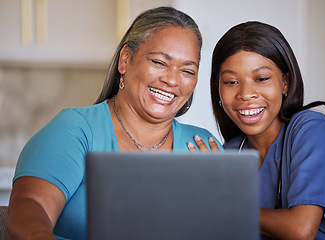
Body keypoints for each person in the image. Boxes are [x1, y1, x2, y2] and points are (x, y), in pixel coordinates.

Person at [7, 6, 222, 240]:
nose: (172, 79)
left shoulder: (204, 147)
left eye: (188, 71)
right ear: (125, 59)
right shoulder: (76, 131)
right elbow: (29, 207)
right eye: (159, 62)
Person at [190, 21, 325, 239]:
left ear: (285, 83)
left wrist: (225, 202)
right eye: (231, 82)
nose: (246, 94)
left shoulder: (311, 130)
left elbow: (300, 231)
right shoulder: (231, 153)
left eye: (261, 79)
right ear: (218, 90)